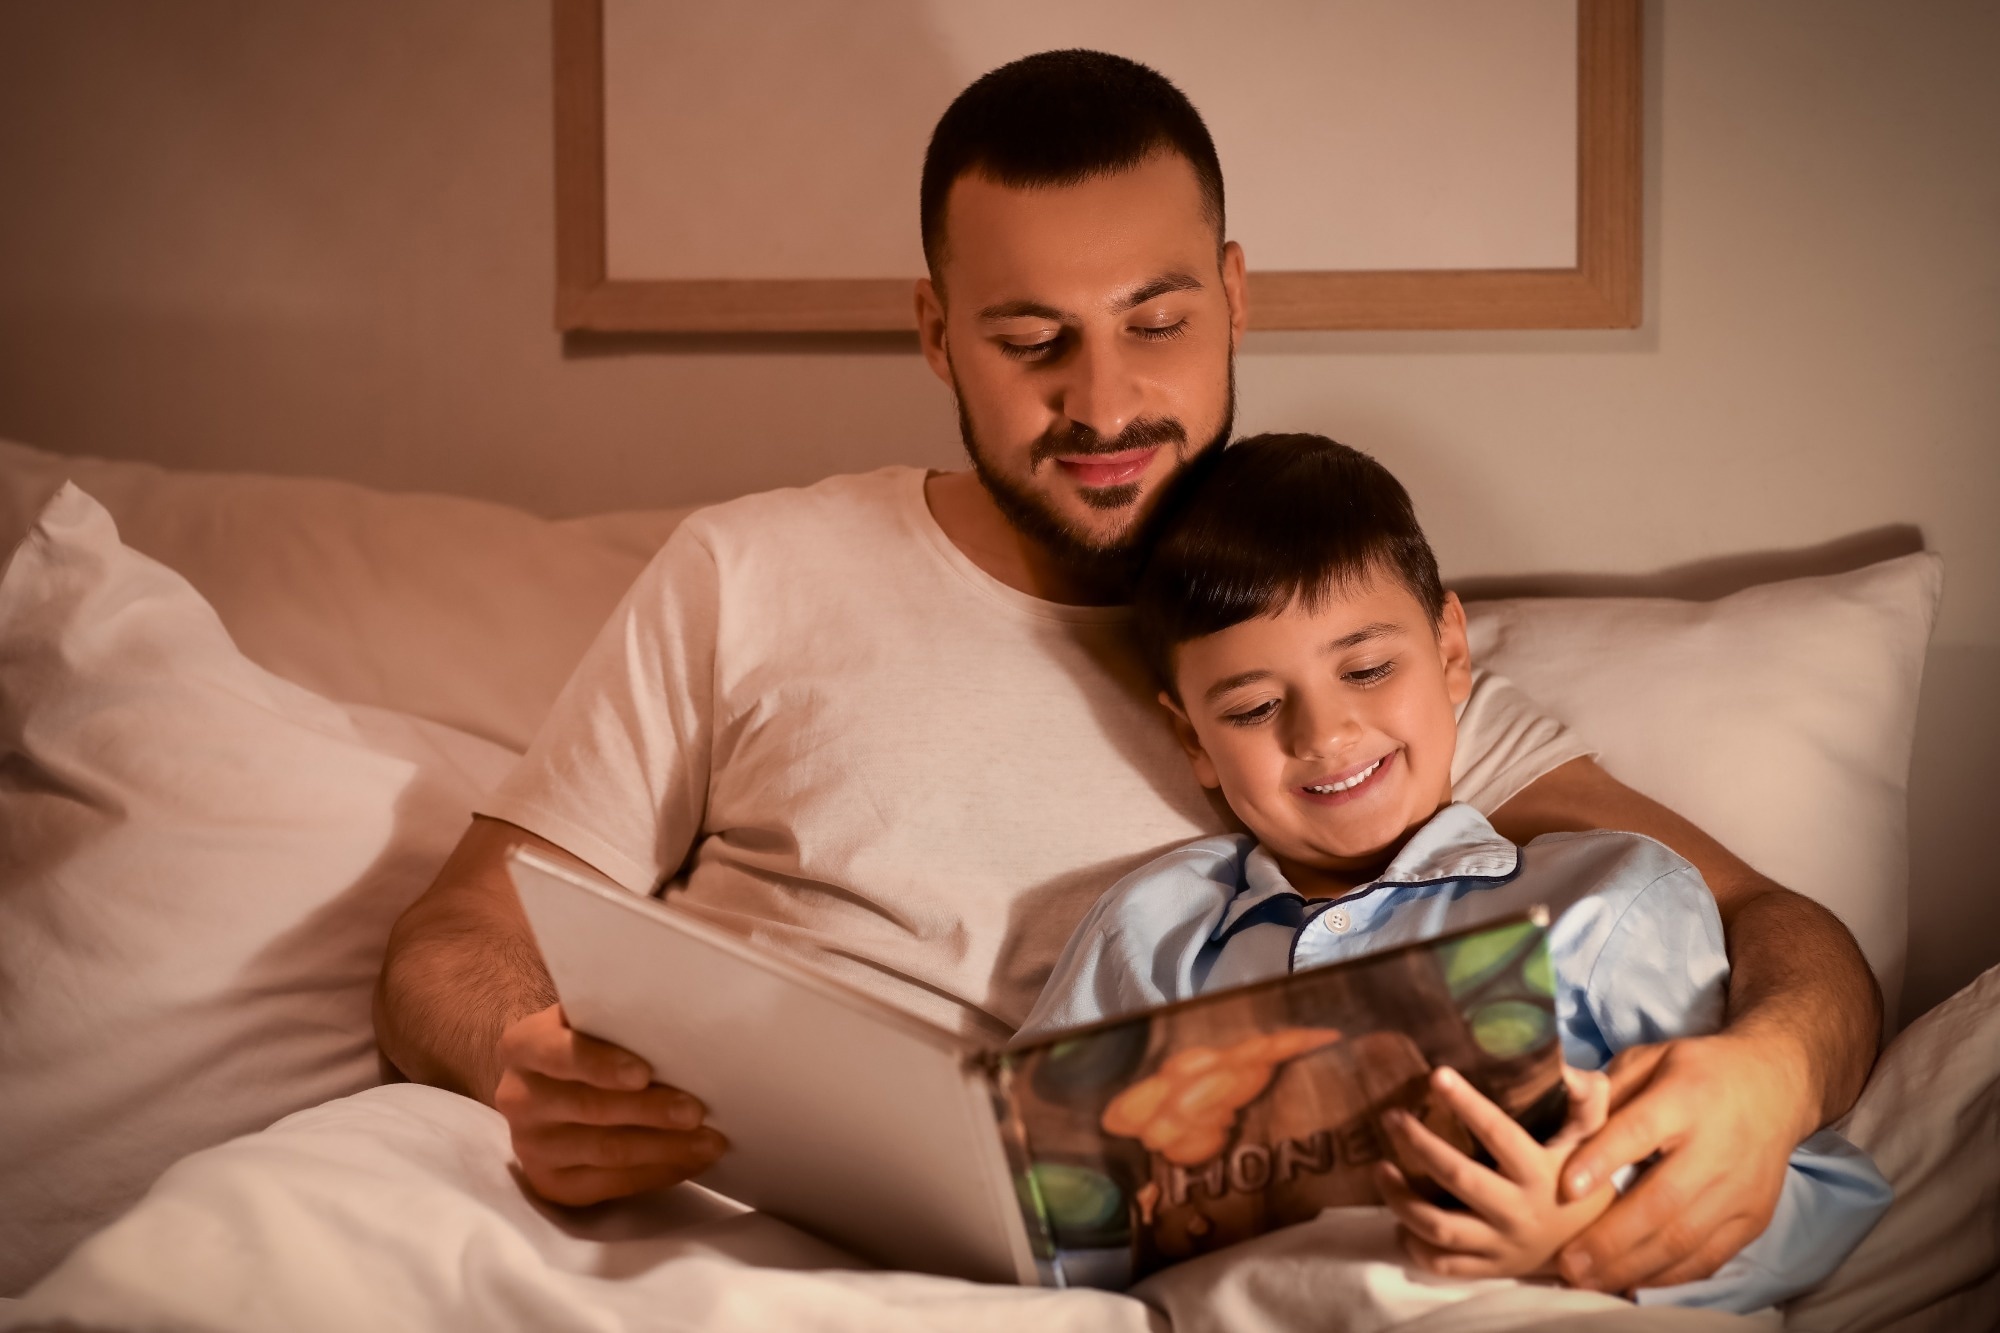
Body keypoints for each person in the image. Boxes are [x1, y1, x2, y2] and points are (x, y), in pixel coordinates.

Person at [374, 49, 1882, 1295]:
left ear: (1235, 294)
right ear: (933, 332)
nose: (1104, 403)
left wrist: (1772, 1080)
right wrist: (528, 1058)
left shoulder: (1350, 679)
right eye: (1033, 342)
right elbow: (453, 938)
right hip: (721, 1242)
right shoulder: (748, 573)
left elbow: (1765, 921)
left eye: (1155, 325)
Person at [1012, 434, 1891, 1312]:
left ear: (1451, 654)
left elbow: (1818, 1195)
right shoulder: (1156, 928)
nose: (1323, 734)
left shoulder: (1607, 902)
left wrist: (1587, 1231)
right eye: (1253, 707)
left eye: (1366, 668)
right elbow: (1022, 1196)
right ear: (1193, 739)